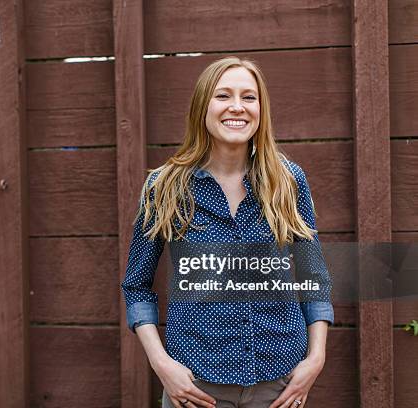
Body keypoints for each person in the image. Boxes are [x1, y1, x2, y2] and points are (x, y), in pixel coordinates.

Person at [120, 56, 334, 408]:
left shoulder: (288, 181)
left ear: (261, 109)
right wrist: (162, 365)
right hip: (195, 386)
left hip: (278, 385)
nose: (237, 107)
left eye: (249, 97)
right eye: (223, 96)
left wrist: (316, 360)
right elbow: (137, 286)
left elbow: (314, 278)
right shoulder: (164, 187)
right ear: (202, 107)